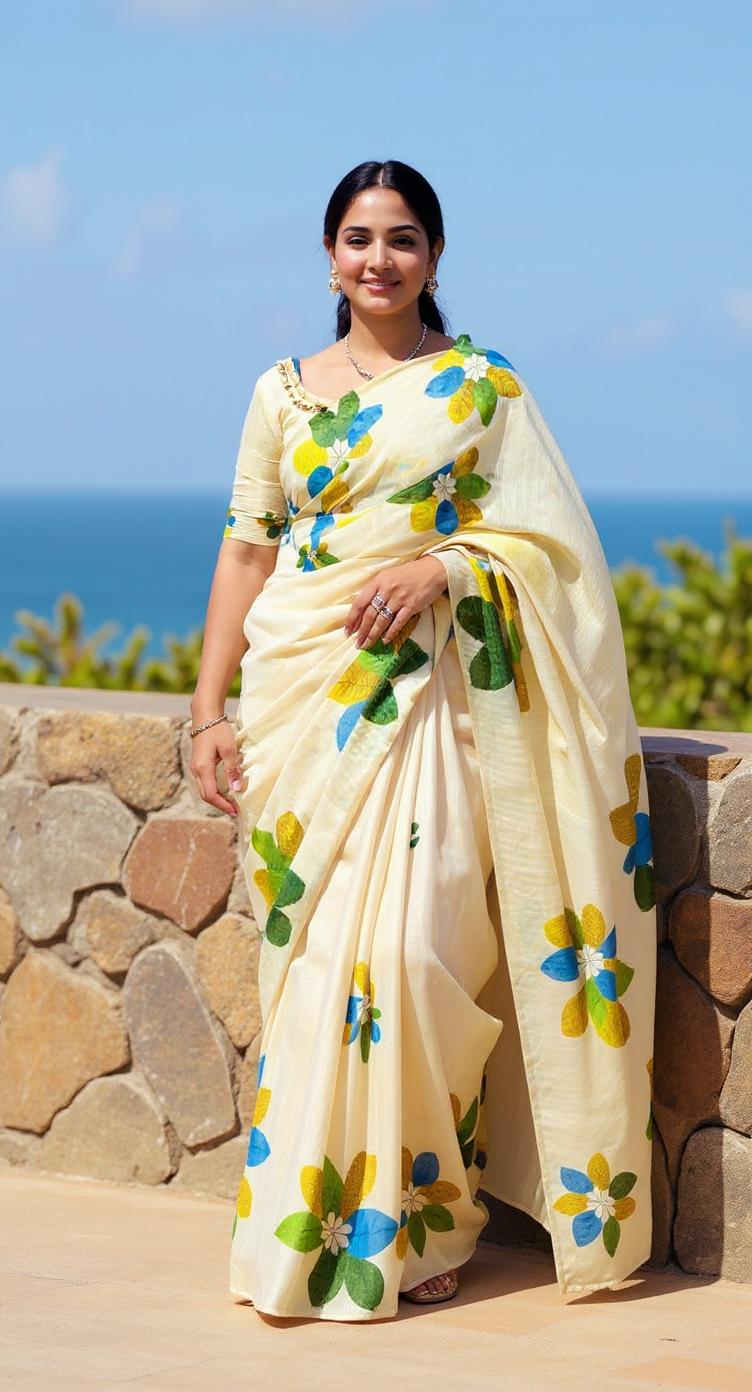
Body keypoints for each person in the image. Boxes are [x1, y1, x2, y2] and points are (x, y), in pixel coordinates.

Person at [190, 159, 657, 1323]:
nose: (378, 259)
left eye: (401, 238)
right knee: (314, 977)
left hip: (432, 706)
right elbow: (247, 550)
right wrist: (206, 711)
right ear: (328, 257)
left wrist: (444, 566)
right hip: (301, 698)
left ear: (434, 257)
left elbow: (552, 547)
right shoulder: (281, 395)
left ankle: (425, 1216)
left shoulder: (480, 390)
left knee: (414, 961)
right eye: (357, 238)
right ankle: (310, 1233)